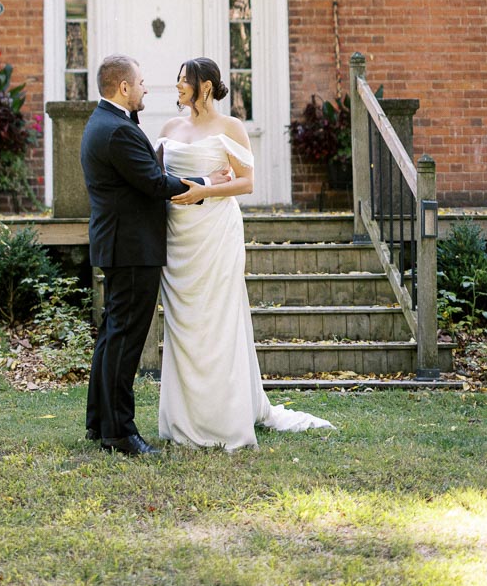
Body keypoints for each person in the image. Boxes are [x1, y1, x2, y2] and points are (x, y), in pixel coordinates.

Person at [157, 57, 334, 452]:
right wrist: (196, 184)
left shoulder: (230, 127)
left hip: (215, 233)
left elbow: (247, 182)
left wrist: (204, 191)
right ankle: (183, 418)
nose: (178, 87)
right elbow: (157, 176)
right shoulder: (169, 129)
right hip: (177, 234)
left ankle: (223, 417)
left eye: (184, 81)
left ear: (205, 86)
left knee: (216, 320)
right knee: (184, 323)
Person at [81, 53, 232, 457]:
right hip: (131, 248)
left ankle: (100, 422)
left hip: (122, 245)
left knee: (113, 335)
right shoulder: (116, 130)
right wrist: (203, 182)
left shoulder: (107, 123)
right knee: (125, 340)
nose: (148, 88)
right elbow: (151, 181)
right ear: (124, 88)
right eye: (142, 83)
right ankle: (119, 432)